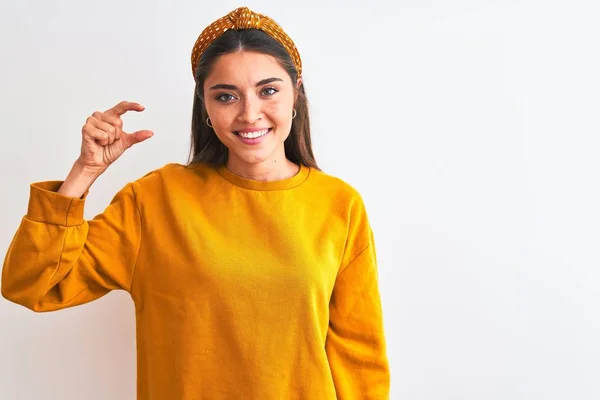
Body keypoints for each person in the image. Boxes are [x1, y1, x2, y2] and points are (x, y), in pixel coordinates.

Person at [1, 6, 390, 399]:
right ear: (205, 104)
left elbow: (359, 361)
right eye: (226, 96)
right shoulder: (155, 200)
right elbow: (32, 286)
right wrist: (83, 172)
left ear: (296, 92)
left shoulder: (339, 205)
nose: (249, 113)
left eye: (268, 90)